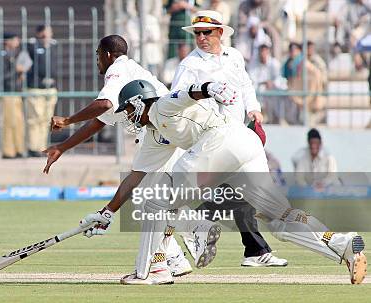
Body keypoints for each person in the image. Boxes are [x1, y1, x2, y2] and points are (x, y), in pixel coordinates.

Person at [79, 79, 367, 285]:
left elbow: (188, 93)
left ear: (140, 101)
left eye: (129, 110)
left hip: (222, 140)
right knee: (280, 221)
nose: (128, 118)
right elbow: (135, 176)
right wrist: (107, 213)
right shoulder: (154, 136)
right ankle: (342, 245)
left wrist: (209, 88)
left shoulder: (161, 106)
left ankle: (151, 271)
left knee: (157, 201)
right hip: (244, 146)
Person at [43, 35, 196, 282]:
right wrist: (62, 147)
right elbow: (100, 120)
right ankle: (174, 260)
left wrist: (67, 120)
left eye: (97, 56)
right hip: (162, 136)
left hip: (164, 136)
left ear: (106, 55)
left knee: (151, 204)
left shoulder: (117, 70)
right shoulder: (131, 73)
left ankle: (158, 266)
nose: (96, 62)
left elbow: (103, 104)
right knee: (149, 201)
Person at [170, 10, 287, 266]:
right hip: (211, 139)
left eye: (206, 33)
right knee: (247, 191)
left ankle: (253, 250)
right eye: (197, 34)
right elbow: (174, 98)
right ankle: (202, 226)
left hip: (237, 135)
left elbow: (245, 85)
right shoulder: (190, 65)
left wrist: (253, 107)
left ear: (220, 33)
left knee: (243, 192)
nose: (201, 38)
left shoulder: (234, 56)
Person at [0, 33, 31, 159]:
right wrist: (16, 70)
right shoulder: (2, 54)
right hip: (7, 92)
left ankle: (19, 149)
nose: (17, 41)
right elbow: (2, 76)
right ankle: (8, 151)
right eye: (15, 39)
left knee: (19, 122)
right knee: (9, 122)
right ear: (7, 41)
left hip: (16, 92)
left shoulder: (15, 54)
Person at [26, 25, 58, 157]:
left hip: (50, 88)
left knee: (46, 119)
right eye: (45, 35)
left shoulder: (53, 47)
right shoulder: (32, 46)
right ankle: (33, 147)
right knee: (35, 118)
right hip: (35, 87)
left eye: (49, 34)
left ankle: (42, 147)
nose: (48, 37)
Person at [248, 44, 290, 124]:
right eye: (261, 51)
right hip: (259, 91)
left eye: (265, 51)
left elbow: (279, 78)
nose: (263, 54)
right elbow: (251, 80)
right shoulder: (253, 64)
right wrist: (264, 83)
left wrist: (272, 83)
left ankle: (279, 118)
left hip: (273, 90)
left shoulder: (274, 63)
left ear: (268, 52)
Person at [125, 2, 162, 75]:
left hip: (151, 56)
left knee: (153, 80)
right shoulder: (131, 22)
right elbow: (134, 39)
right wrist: (145, 38)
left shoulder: (152, 19)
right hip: (137, 57)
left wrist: (145, 30)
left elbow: (156, 37)